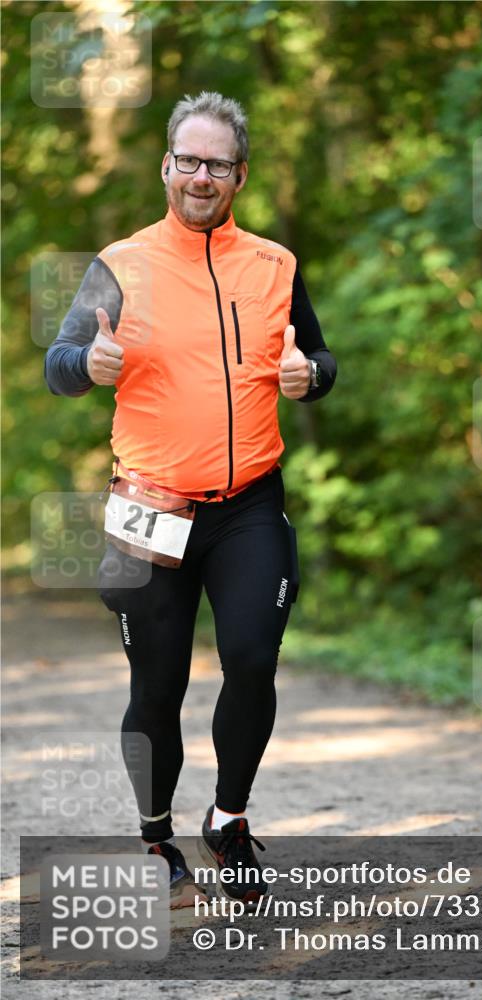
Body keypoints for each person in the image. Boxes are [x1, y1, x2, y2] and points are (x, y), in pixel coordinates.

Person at [44, 91, 337, 907]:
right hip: (151, 507)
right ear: (166, 165)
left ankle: (228, 820)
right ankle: (156, 839)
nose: (199, 175)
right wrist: (84, 366)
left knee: (250, 658)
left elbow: (317, 357)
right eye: (187, 159)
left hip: (247, 505)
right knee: (157, 685)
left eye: (216, 164)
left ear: (239, 175)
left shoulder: (274, 264)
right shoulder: (122, 262)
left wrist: (311, 377)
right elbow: (60, 361)